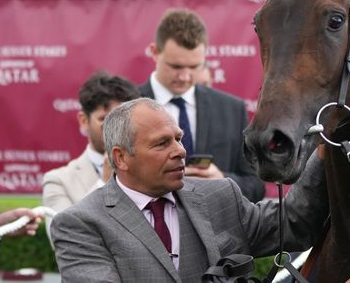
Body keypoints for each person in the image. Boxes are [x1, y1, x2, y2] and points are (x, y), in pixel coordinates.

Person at [51, 98, 325, 282]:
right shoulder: (80, 224)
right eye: (162, 144)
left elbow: (294, 223)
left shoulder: (220, 196)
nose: (180, 151)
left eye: (178, 139)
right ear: (121, 157)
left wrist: (324, 153)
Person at [138, 8, 264, 202]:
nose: (185, 76)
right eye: (176, 66)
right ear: (155, 52)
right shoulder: (127, 107)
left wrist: (223, 182)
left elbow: (256, 186)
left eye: (194, 67)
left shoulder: (231, 110)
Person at [42, 71, 140, 243]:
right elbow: (63, 240)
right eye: (104, 119)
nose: (115, 130)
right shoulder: (58, 181)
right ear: (83, 120)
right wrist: (104, 185)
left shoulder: (150, 168)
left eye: (124, 121)